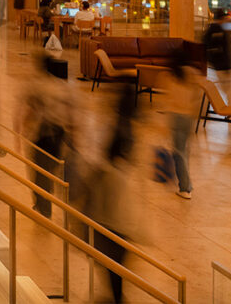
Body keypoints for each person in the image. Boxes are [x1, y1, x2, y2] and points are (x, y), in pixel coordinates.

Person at [89, 85, 138, 302]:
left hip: (112, 208)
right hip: (122, 209)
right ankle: (117, 297)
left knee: (111, 256)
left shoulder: (118, 128)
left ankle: (117, 298)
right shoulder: (130, 130)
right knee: (115, 259)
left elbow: (102, 161)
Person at [17, 53, 73, 218]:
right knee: (53, 170)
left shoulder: (36, 86)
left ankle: (44, 208)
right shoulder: (60, 86)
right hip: (59, 134)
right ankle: (52, 205)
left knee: (40, 174)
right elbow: (69, 113)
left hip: (43, 135)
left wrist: (21, 132)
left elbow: (29, 111)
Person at [162, 51, 204, 200]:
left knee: (178, 153)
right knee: (184, 152)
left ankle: (185, 188)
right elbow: (198, 96)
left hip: (176, 116)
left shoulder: (170, 75)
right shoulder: (192, 73)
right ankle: (188, 184)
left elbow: (168, 99)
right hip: (188, 117)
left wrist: (164, 125)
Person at [204, 8, 231, 75]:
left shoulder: (213, 29)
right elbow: (224, 47)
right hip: (220, 62)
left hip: (217, 62)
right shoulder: (218, 30)